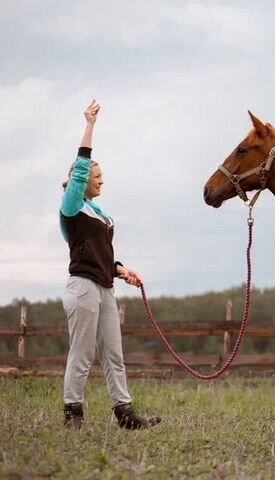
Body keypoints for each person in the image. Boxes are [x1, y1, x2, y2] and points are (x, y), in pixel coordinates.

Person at [60, 100, 160, 430]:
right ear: (82, 180)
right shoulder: (73, 206)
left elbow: (99, 249)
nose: (102, 181)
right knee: (83, 353)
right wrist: (89, 125)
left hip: (104, 287)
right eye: (97, 176)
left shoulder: (99, 213)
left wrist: (119, 269)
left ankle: (125, 414)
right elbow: (81, 164)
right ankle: (73, 413)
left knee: (113, 353)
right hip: (83, 288)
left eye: (102, 176)